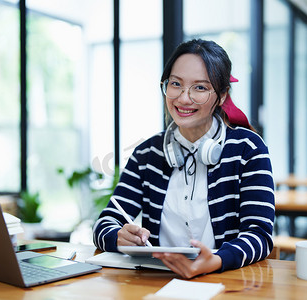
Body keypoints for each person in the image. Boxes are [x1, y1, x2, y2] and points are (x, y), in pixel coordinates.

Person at [93, 39, 275, 279]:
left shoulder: (249, 149)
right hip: (156, 284)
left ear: (221, 96)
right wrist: (117, 236)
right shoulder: (147, 154)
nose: (184, 98)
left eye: (200, 88)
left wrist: (216, 260)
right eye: (176, 84)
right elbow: (103, 223)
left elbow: (260, 235)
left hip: (225, 282)